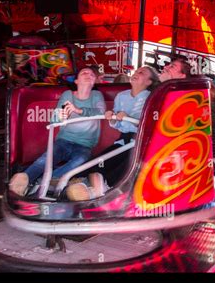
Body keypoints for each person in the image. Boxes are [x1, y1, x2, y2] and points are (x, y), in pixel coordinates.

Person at [66, 66, 160, 201]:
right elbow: (117, 124)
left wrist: (130, 119)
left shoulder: (151, 98)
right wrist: (112, 118)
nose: (136, 73)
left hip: (140, 143)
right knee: (99, 162)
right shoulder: (122, 96)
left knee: (127, 165)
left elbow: (150, 124)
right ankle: (79, 183)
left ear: (149, 82)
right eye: (137, 71)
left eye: (141, 73)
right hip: (123, 141)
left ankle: (103, 189)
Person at [9, 67, 106, 196]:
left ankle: (42, 182)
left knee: (81, 159)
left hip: (84, 144)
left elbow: (100, 112)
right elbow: (55, 118)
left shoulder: (96, 96)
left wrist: (78, 110)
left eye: (92, 74)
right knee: (45, 160)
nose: (88, 74)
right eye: (84, 73)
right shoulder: (68, 95)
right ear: (76, 81)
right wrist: (59, 116)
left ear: (94, 81)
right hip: (64, 140)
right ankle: (23, 180)